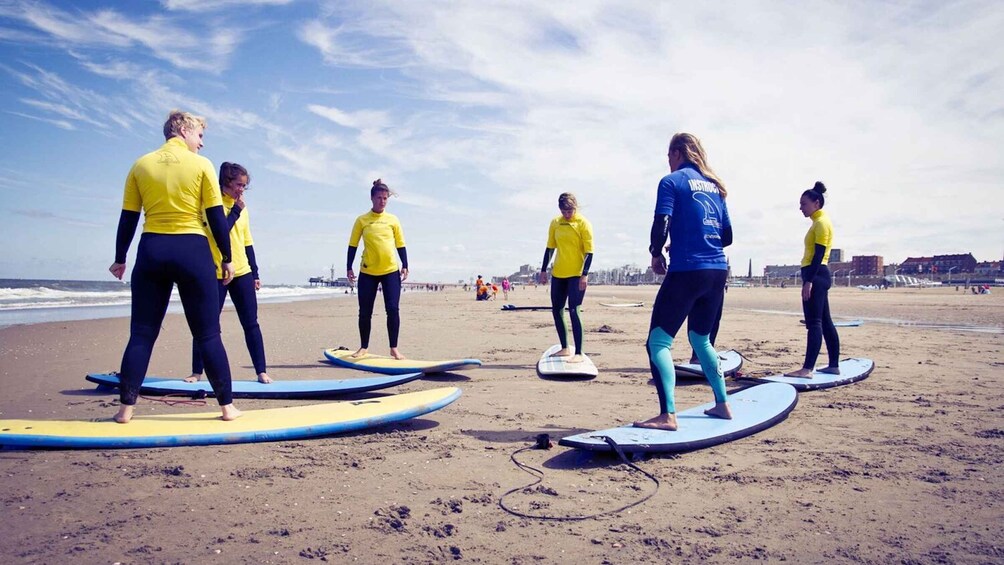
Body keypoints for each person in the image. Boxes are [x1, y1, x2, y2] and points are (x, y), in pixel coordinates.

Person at [109, 110, 240, 423]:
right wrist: (227, 257)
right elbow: (215, 217)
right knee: (208, 334)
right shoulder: (201, 166)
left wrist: (120, 258)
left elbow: (128, 217)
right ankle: (227, 408)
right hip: (192, 252)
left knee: (141, 334)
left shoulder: (141, 164)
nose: (202, 144)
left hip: (151, 250)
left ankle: (125, 410)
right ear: (183, 129)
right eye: (200, 135)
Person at [634, 133, 733, 431]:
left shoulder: (672, 182)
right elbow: (727, 236)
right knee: (701, 340)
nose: (668, 162)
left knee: (658, 342)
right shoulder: (715, 187)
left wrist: (656, 252)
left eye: (668, 156)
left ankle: (668, 415)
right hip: (717, 271)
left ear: (677, 153)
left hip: (687, 270)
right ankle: (722, 404)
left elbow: (661, 221)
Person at [185, 162, 271, 385]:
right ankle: (196, 372)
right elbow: (219, 231)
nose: (241, 190)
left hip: (242, 272)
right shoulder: (211, 205)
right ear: (226, 182)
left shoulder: (241, 208)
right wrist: (235, 210)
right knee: (208, 324)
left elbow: (247, 241)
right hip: (215, 272)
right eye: (238, 185)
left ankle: (261, 371)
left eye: (244, 186)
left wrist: (255, 272)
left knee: (251, 323)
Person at [347, 179, 409, 360]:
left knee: (393, 309)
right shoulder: (362, 220)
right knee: (365, 311)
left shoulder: (393, 220)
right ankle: (363, 347)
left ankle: (394, 348)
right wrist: (349, 266)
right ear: (372, 198)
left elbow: (400, 244)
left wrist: (405, 264)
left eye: (385, 198)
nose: (383, 201)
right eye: (380, 198)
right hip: (368, 272)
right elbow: (352, 245)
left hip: (390, 271)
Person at [784, 182, 840, 378]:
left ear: (816, 203)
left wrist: (809, 281)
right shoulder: (818, 222)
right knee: (825, 321)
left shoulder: (822, 223)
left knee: (814, 322)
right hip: (817, 275)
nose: (800, 208)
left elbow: (819, 254)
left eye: (804, 204)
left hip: (816, 275)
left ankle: (807, 369)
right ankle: (833, 365)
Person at [538, 193, 593, 363]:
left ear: (575, 207)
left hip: (576, 275)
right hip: (558, 274)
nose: (567, 214)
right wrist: (543, 270)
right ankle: (564, 348)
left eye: (570, 211)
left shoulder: (582, 223)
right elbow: (550, 248)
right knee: (557, 310)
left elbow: (589, 251)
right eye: (564, 211)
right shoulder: (555, 223)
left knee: (574, 310)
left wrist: (584, 274)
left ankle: (579, 353)